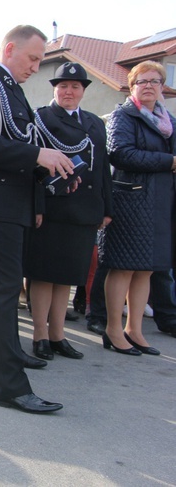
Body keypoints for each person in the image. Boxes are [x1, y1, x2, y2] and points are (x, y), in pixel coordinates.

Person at [0, 25, 74, 413]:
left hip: (6, 203)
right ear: (9, 49)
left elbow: (16, 144)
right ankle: (10, 386)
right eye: (33, 58)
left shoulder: (10, 88)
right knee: (3, 292)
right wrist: (37, 157)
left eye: (41, 60)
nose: (37, 67)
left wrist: (50, 170)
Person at [27, 63, 112, 361]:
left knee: (67, 276)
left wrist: (106, 207)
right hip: (52, 208)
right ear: (54, 88)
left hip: (84, 210)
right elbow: (32, 169)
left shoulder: (94, 122)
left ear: (83, 91)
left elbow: (102, 169)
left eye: (75, 86)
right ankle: (40, 335)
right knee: (44, 274)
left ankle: (58, 335)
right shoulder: (40, 117)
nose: (68, 91)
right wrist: (36, 205)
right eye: (63, 85)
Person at [99, 60, 176, 356]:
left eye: (154, 81)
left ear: (162, 88)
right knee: (124, 267)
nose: (148, 86)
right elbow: (120, 153)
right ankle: (113, 329)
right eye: (141, 81)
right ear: (132, 87)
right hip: (130, 201)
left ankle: (135, 330)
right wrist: (167, 163)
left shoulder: (168, 121)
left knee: (147, 269)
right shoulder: (124, 115)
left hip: (160, 202)